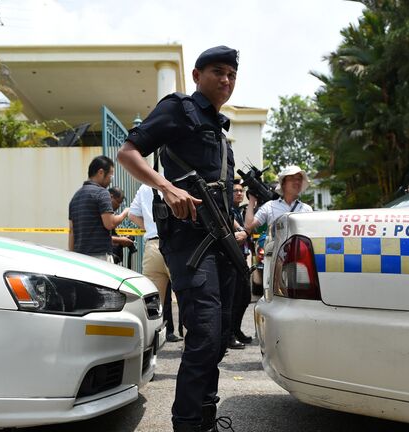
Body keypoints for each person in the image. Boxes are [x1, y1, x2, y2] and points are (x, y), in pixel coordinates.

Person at [117, 45, 246, 432]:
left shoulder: (222, 134)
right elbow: (128, 152)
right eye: (218, 71)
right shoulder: (179, 109)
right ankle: (187, 424)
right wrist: (165, 187)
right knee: (205, 332)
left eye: (232, 75)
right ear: (196, 75)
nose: (226, 80)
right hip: (190, 242)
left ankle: (205, 415)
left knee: (220, 335)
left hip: (221, 240)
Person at [128, 184, 182, 342]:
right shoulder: (180, 179)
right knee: (187, 299)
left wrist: (151, 228)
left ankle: (148, 344)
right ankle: (191, 347)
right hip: (177, 245)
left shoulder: (145, 186)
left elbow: (132, 214)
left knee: (151, 302)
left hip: (152, 246)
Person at [68, 155, 129, 262]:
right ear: (101, 172)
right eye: (111, 176)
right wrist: (125, 213)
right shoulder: (102, 193)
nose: (111, 180)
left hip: (79, 257)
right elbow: (109, 224)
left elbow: (72, 231)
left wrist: (73, 257)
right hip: (99, 257)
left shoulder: (75, 197)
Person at [244, 165, 314, 235]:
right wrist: (252, 200)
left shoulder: (307, 209)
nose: (297, 182)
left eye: (299, 179)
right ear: (283, 184)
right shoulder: (269, 206)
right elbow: (248, 225)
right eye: (292, 179)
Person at [228, 180, 252, 349]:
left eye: (241, 190)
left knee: (244, 297)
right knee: (233, 299)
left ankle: (236, 330)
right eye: (235, 190)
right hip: (230, 259)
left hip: (241, 258)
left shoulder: (239, 211)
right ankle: (229, 335)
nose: (239, 193)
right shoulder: (227, 211)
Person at [109, 187, 135, 265]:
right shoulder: (103, 212)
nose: (119, 206)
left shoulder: (110, 213)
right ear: (111, 197)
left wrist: (122, 240)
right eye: (118, 202)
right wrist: (124, 213)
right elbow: (101, 238)